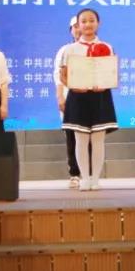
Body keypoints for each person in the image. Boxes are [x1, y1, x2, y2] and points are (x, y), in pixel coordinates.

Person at [60, 8, 118, 191]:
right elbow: (63, 75)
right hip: (78, 97)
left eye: (91, 20)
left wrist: (105, 84)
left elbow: (112, 72)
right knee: (81, 140)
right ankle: (84, 178)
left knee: (98, 140)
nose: (88, 24)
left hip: (100, 96)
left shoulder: (107, 47)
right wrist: (73, 86)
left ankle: (95, 178)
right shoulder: (70, 49)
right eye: (83, 21)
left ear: (98, 23)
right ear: (78, 25)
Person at [54, 16, 83, 188]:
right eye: (75, 26)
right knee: (71, 136)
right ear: (71, 30)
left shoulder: (98, 48)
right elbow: (58, 77)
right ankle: (74, 173)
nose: (79, 29)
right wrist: (60, 97)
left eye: (82, 24)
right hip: (70, 97)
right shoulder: (65, 50)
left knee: (91, 136)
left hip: (91, 98)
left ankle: (90, 173)